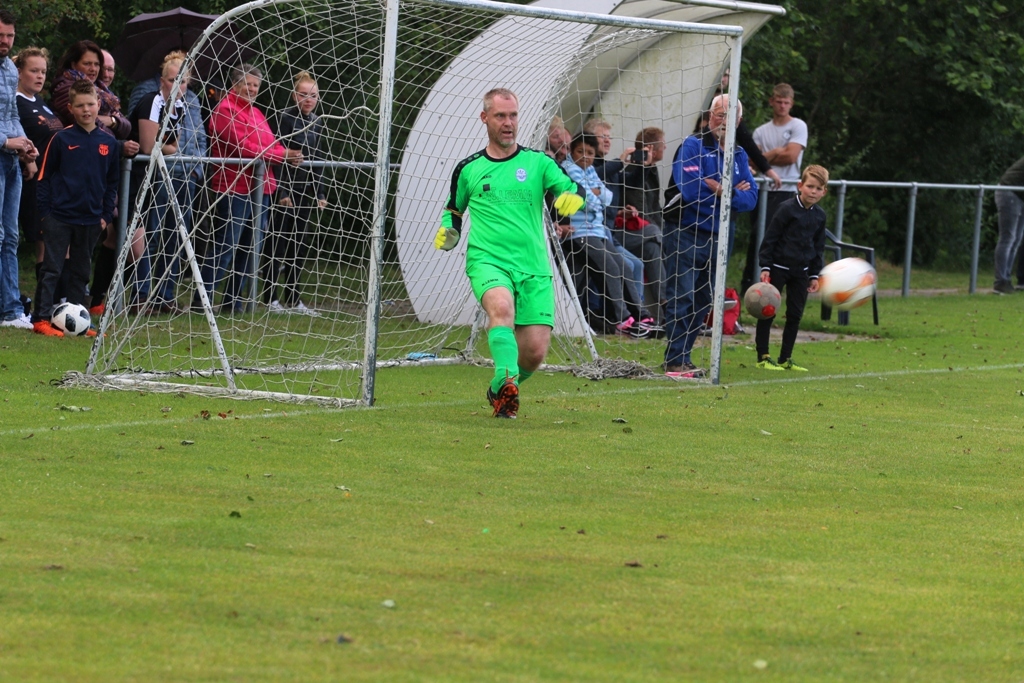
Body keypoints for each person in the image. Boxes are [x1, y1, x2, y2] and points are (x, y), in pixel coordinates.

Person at [434, 88, 584, 418]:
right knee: (501, 308)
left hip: (533, 265)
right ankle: (506, 383)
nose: (508, 122)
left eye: (513, 115)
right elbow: (454, 210)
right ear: (484, 117)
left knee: (534, 352)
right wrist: (449, 232)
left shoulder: (538, 162)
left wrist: (571, 198)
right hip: (488, 261)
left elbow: (570, 187)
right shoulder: (468, 168)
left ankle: (500, 389)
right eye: (500, 116)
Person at [664, 94, 758, 377]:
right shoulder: (692, 145)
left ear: (739, 121)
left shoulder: (739, 154)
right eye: (720, 115)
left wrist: (720, 189)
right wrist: (731, 193)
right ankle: (675, 360)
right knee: (681, 296)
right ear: (709, 116)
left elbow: (751, 199)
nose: (724, 121)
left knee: (704, 300)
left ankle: (684, 356)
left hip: (720, 236)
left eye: (730, 117)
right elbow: (691, 191)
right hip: (685, 231)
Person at [200, 63, 302, 313]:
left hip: (261, 189)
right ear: (235, 85)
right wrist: (281, 155)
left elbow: (273, 144)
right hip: (234, 187)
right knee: (226, 247)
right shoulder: (224, 110)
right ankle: (202, 301)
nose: (253, 89)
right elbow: (243, 147)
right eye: (248, 84)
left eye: (256, 85)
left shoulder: (257, 113)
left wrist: (284, 153)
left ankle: (233, 303)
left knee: (249, 249)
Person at [32, 79, 121, 337]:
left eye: (90, 104)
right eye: (80, 106)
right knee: (52, 268)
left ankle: (79, 323)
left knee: (81, 272)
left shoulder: (109, 143)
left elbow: (112, 183)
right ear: (71, 108)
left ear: (98, 104)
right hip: (59, 217)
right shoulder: (61, 138)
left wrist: (105, 215)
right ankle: (41, 319)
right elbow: (43, 177)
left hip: (91, 219)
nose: (86, 110)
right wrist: (46, 214)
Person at [127, 53, 208, 312]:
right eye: (173, 80)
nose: (178, 86)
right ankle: (140, 295)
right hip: (151, 176)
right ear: (163, 80)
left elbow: (181, 142)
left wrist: (194, 170)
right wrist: (168, 148)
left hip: (184, 175)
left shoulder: (185, 104)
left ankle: (165, 296)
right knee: (149, 234)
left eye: (183, 81)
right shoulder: (150, 98)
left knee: (176, 237)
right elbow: (149, 145)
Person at [558, 133, 647, 335]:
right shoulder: (568, 170)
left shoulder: (589, 170)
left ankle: (640, 314)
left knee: (624, 266)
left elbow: (607, 197)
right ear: (571, 151)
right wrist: (594, 194)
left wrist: (594, 194)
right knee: (609, 267)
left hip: (597, 230)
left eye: (590, 153)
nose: (585, 157)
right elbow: (586, 200)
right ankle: (622, 319)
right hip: (578, 232)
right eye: (580, 152)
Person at [262, 70, 328, 314]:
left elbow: (318, 158)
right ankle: (270, 298)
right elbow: (276, 155)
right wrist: (282, 191)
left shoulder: (318, 122)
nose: (308, 100)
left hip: (304, 191)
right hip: (283, 190)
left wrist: (320, 192)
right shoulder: (283, 118)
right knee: (277, 244)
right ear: (294, 95)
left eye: (313, 95)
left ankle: (294, 298)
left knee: (298, 246)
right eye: (303, 94)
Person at [754, 165, 829, 371]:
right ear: (800, 185)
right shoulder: (786, 209)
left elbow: (818, 247)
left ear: (824, 192)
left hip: (801, 272)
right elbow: (771, 238)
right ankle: (763, 356)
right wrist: (766, 266)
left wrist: (814, 275)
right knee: (768, 312)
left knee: (795, 315)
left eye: (818, 188)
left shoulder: (820, 216)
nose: (813, 192)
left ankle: (785, 358)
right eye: (810, 186)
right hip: (777, 268)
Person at [15, 46, 63, 313]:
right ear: (19, 72)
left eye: (43, 71)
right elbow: (15, 133)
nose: (40, 76)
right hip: (31, 183)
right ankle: (45, 306)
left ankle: (61, 301)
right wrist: (28, 158)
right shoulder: (15, 102)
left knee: (59, 242)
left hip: (53, 181)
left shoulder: (40, 101)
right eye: (34, 71)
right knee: (43, 242)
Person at [746, 82, 808, 286]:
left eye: (786, 102)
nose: (782, 106)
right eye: (779, 101)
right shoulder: (761, 131)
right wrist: (775, 152)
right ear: (771, 101)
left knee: (780, 238)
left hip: (785, 190)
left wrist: (765, 157)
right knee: (757, 235)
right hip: (762, 190)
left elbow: (790, 157)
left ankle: (776, 282)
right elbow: (752, 162)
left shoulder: (798, 126)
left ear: (792, 104)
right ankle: (750, 281)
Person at [0, 10, 37, 331]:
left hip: (10, 161)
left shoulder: (10, 69)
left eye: (10, 35)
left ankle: (11, 310)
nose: (5, 41)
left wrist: (24, 145)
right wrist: (6, 141)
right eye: (0, 35)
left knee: (11, 236)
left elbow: (11, 114)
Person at [619, 127, 666, 321]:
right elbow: (642, 212)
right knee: (657, 237)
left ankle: (667, 304)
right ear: (652, 149)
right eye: (663, 144)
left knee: (655, 245)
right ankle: (666, 304)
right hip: (626, 232)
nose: (665, 147)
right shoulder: (634, 172)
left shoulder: (651, 170)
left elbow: (655, 208)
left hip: (646, 234)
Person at [992, 156, 1024, 295]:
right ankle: (1001, 281)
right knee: (1008, 238)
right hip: (1009, 193)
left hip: (1019, 195)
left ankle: (1006, 279)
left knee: (1016, 239)